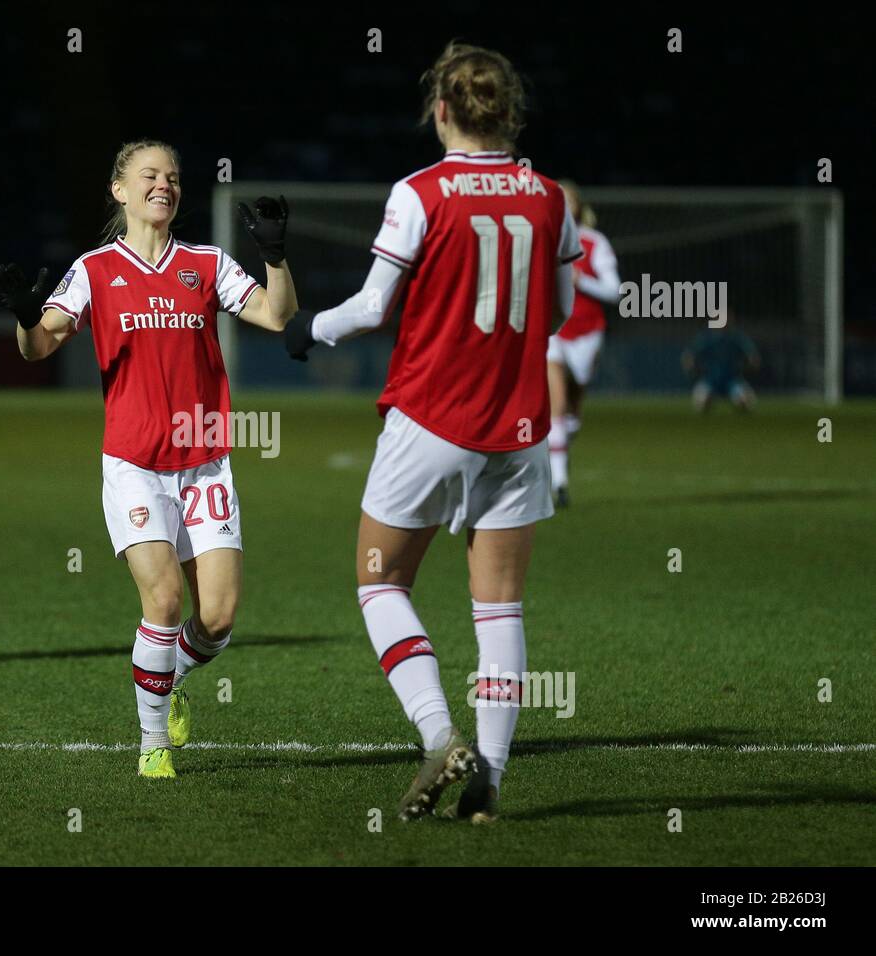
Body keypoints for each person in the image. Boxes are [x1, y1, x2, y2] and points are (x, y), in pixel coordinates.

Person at [284, 43, 581, 822]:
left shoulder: (420, 192)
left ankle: (436, 730)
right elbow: (556, 311)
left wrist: (306, 329)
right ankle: (491, 780)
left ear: (441, 109)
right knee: (501, 610)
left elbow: (374, 307)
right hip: (518, 431)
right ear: (509, 110)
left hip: (430, 419)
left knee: (380, 581)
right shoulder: (548, 196)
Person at [0, 140, 296, 778]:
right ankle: (152, 743)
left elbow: (276, 314)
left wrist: (274, 255)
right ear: (120, 190)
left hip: (205, 460)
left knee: (217, 617)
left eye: (174, 178)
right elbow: (37, 347)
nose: (165, 185)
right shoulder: (96, 269)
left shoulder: (206, 263)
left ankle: (170, 677)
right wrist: (24, 311)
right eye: (150, 176)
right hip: (135, 462)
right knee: (161, 601)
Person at [546, 181, 620, 507]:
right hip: (552, 333)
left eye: (569, 199)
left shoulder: (595, 242)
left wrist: (582, 280)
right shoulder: (541, 239)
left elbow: (615, 292)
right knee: (556, 406)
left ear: (578, 206)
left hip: (587, 334)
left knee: (572, 413)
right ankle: (559, 483)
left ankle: (562, 440)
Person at [683, 319, 760, 412]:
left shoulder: (735, 337)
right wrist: (691, 366)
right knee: (702, 404)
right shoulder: (707, 338)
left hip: (732, 381)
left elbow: (752, 355)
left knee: (744, 403)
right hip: (710, 381)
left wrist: (751, 363)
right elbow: (689, 355)